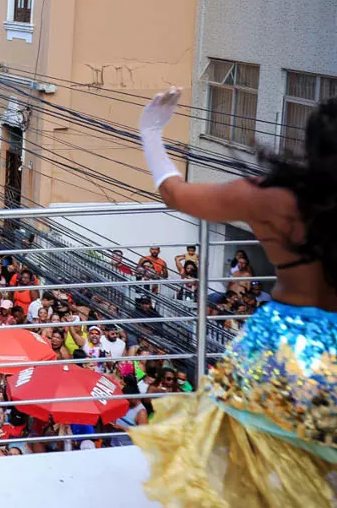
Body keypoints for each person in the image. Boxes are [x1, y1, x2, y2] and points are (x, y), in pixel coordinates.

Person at [130, 89, 337, 507]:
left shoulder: (269, 198)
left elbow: (175, 193)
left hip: (280, 348)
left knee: (268, 465)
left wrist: (151, 132)